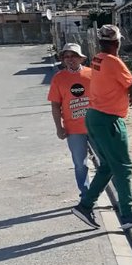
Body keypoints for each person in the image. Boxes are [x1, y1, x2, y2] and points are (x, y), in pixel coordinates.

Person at [70, 24, 132, 233]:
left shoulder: (98, 58)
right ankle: (127, 213)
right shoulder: (115, 62)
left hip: (94, 116)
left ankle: (85, 205)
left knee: (107, 166)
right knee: (123, 166)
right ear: (118, 42)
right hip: (109, 119)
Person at [47, 42, 93, 197]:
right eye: (66, 56)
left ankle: (114, 190)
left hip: (95, 127)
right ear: (63, 59)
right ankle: (86, 194)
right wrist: (58, 128)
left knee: (106, 161)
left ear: (81, 58)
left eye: (74, 56)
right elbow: (55, 106)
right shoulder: (58, 79)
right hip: (73, 130)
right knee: (80, 164)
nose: (70, 59)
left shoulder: (92, 74)